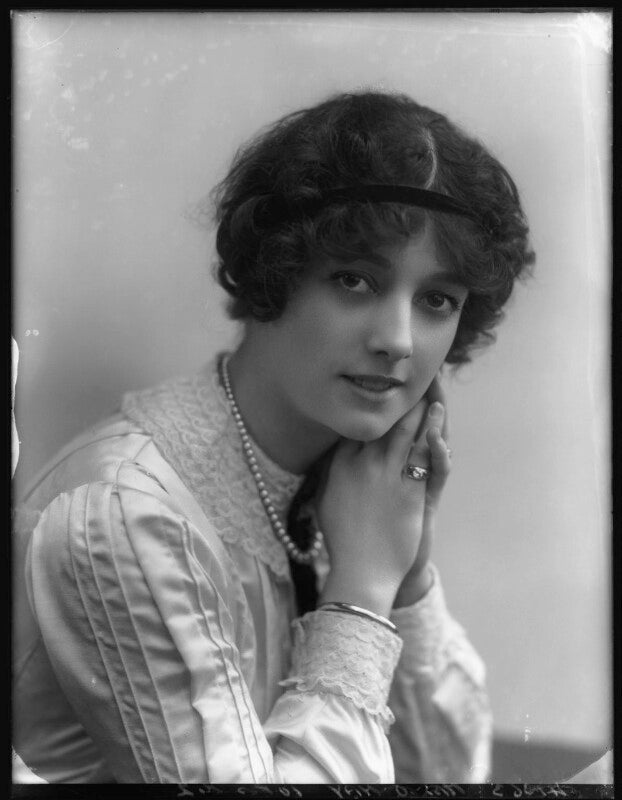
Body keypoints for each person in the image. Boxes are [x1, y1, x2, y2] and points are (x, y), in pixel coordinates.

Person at [12, 91, 534, 783]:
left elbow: (446, 772)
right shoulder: (128, 514)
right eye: (354, 280)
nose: (399, 340)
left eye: (437, 300)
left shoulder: (355, 488)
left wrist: (404, 577)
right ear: (275, 272)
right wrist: (360, 595)